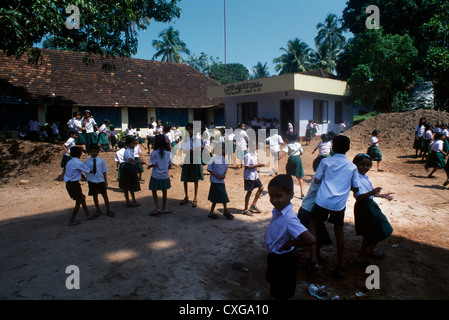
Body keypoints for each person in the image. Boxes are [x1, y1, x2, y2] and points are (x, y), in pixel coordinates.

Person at [308, 135, 360, 278]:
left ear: (332, 147)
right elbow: (355, 188)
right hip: (338, 204)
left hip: (322, 201)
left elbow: (317, 180)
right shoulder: (352, 167)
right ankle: (340, 264)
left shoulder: (325, 161)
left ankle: (314, 260)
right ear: (348, 148)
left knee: (313, 225)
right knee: (339, 231)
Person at [265, 174, 315, 300]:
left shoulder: (289, 218)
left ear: (290, 195)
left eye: (278, 196)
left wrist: (291, 244)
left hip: (284, 260)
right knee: (274, 284)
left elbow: (310, 239)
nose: (274, 200)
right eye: (271, 196)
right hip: (275, 256)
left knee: (283, 291)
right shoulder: (278, 211)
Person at [352, 153, 394, 264]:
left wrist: (382, 195)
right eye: (362, 165)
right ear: (355, 164)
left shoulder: (365, 177)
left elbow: (369, 193)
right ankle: (368, 249)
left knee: (370, 231)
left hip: (370, 205)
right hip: (364, 207)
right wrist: (372, 192)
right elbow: (360, 196)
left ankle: (365, 252)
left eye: (368, 165)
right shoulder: (355, 178)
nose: (365, 168)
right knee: (382, 228)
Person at [297, 155, 332, 269]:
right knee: (311, 235)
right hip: (308, 211)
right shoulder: (320, 181)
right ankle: (313, 260)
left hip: (313, 210)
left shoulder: (322, 179)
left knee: (318, 235)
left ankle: (316, 256)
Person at [64, 147, 98, 226]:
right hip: (74, 184)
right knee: (79, 201)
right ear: (79, 154)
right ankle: (72, 220)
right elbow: (89, 171)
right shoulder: (79, 163)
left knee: (82, 198)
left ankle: (88, 215)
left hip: (69, 184)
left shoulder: (69, 162)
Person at [85, 144, 114, 217]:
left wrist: (105, 181)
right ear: (90, 152)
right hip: (92, 180)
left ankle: (108, 209)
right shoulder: (87, 161)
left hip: (100, 180)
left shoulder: (101, 161)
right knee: (95, 196)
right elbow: (85, 171)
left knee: (105, 195)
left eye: (96, 152)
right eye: (92, 152)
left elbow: (104, 171)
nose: (94, 153)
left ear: (98, 152)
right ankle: (98, 210)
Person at [207, 142, 233, 220]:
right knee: (219, 197)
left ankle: (222, 211)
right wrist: (216, 175)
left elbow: (225, 169)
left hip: (221, 181)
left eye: (223, 148)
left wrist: (224, 175)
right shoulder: (213, 159)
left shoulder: (224, 159)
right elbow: (209, 169)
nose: (222, 150)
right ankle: (219, 212)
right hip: (215, 181)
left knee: (222, 196)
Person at [148, 135, 173, 216]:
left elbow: (154, 164)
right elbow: (170, 165)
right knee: (164, 191)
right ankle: (164, 208)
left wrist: (149, 166)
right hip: (165, 175)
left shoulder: (154, 153)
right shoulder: (168, 153)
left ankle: (157, 207)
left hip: (156, 175)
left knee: (154, 191)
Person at [180, 123, 203, 208]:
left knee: (195, 178)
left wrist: (189, 151)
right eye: (188, 129)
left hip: (195, 158)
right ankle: (186, 196)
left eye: (191, 129)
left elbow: (197, 150)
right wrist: (191, 151)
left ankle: (195, 198)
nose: (189, 131)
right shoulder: (185, 139)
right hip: (188, 158)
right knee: (185, 178)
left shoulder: (196, 138)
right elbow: (184, 150)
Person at [119, 136, 145, 207]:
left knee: (131, 185)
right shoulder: (127, 151)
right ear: (128, 144)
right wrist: (138, 162)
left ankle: (133, 200)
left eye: (135, 144)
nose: (134, 145)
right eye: (133, 144)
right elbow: (130, 159)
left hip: (130, 167)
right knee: (127, 186)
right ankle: (128, 201)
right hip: (128, 168)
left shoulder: (130, 150)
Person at [279, 132, 305, 199]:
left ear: (288, 139)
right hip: (298, 159)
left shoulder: (288, 145)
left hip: (291, 159)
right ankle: (302, 193)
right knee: (300, 176)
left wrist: (279, 157)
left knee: (289, 175)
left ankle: (290, 191)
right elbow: (301, 152)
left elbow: (284, 153)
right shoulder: (298, 144)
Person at [242, 140, 265, 215]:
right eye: (254, 146)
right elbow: (247, 167)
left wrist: (259, 164)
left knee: (261, 188)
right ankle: (245, 209)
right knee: (249, 192)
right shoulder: (247, 156)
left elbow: (254, 164)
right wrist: (258, 165)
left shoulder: (255, 154)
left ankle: (253, 205)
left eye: (256, 146)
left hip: (255, 175)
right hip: (249, 176)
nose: (255, 147)